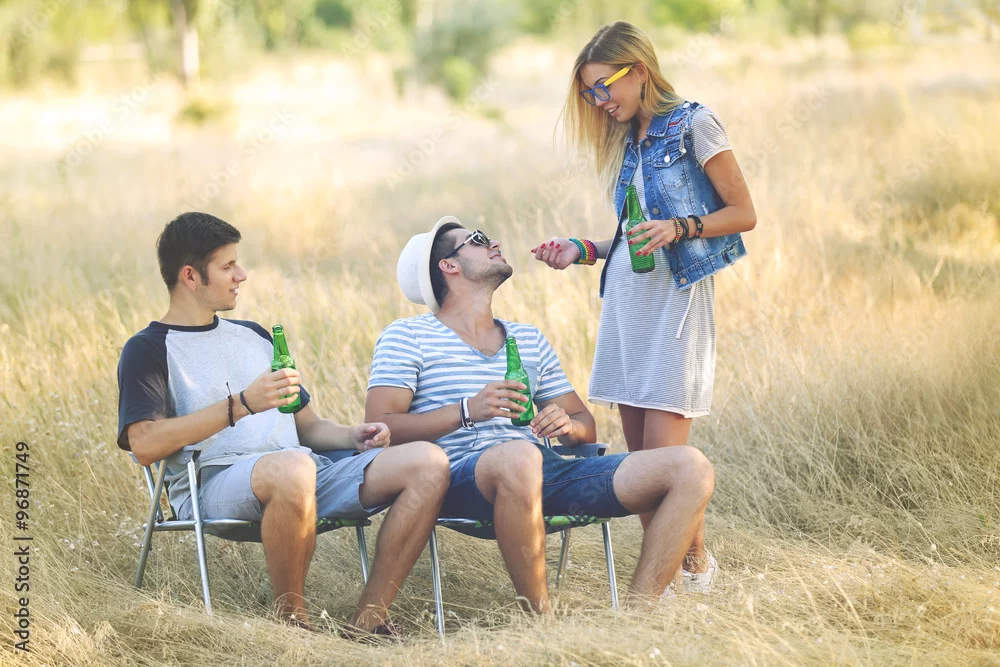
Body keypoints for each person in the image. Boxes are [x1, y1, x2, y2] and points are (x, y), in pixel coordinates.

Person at [116, 212, 450, 636]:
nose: (242, 275)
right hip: (213, 484)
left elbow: (307, 427)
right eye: (227, 266)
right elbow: (144, 444)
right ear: (190, 276)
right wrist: (241, 405)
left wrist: (352, 435)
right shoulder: (147, 349)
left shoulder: (255, 336)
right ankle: (293, 626)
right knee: (293, 467)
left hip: (304, 470)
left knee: (428, 462)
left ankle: (369, 621)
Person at [365, 216, 715, 613]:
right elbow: (380, 427)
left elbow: (584, 425)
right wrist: (467, 411)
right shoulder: (407, 336)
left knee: (691, 467)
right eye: (478, 239)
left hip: (543, 471)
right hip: (457, 480)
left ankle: (641, 614)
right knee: (519, 457)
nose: (493, 242)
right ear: (449, 265)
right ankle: (540, 621)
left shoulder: (526, 337)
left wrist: (567, 426)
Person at [530, 21, 758, 592]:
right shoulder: (628, 138)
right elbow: (635, 236)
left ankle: (675, 585)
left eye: (603, 87)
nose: (598, 102)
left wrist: (681, 227)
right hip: (626, 306)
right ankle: (688, 573)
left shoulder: (695, 124)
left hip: (676, 302)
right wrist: (584, 249)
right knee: (642, 471)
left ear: (639, 70)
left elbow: (743, 213)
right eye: (589, 93)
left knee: (667, 464)